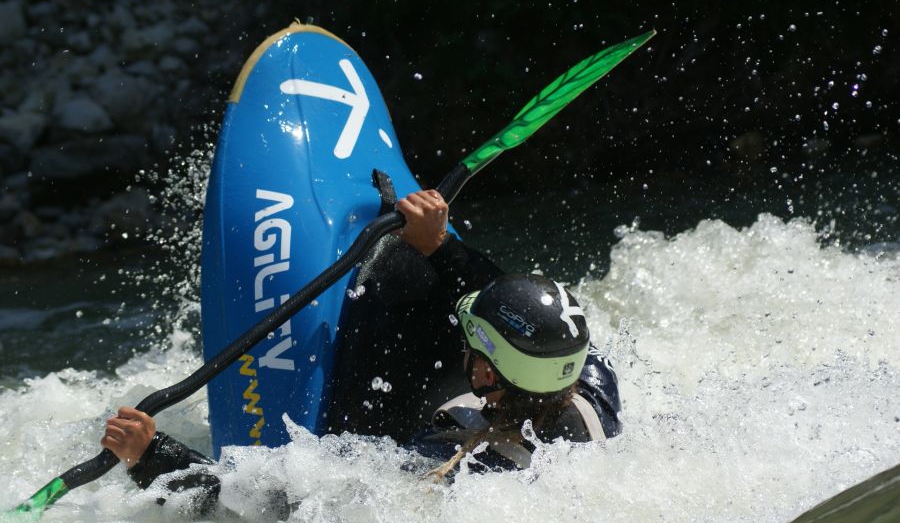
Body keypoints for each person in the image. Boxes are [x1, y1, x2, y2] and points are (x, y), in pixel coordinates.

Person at [101, 189, 621, 512]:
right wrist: (439, 246)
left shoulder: (453, 477)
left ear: (485, 375)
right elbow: (510, 301)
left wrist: (153, 458)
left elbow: (279, 508)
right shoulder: (592, 387)